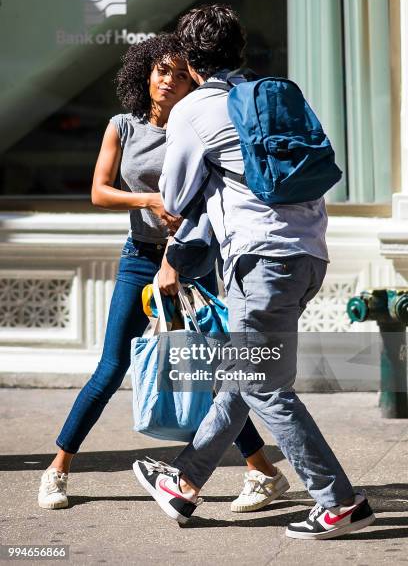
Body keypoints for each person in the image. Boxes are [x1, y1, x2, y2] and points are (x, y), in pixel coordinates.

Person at [132, 7, 376, 540]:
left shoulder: (193, 108)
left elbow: (173, 196)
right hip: (308, 253)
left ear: (192, 62)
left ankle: (337, 500)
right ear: (239, 52)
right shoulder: (271, 95)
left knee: (264, 385)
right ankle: (184, 483)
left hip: (259, 260)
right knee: (246, 375)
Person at [37, 33, 287, 513]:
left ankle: (263, 473)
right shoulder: (123, 126)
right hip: (140, 256)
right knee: (111, 367)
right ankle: (57, 469)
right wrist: (149, 199)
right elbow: (99, 191)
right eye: (160, 70)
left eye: (177, 72)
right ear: (145, 74)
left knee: (210, 372)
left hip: (192, 261)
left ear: (192, 79)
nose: (168, 80)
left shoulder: (197, 126)